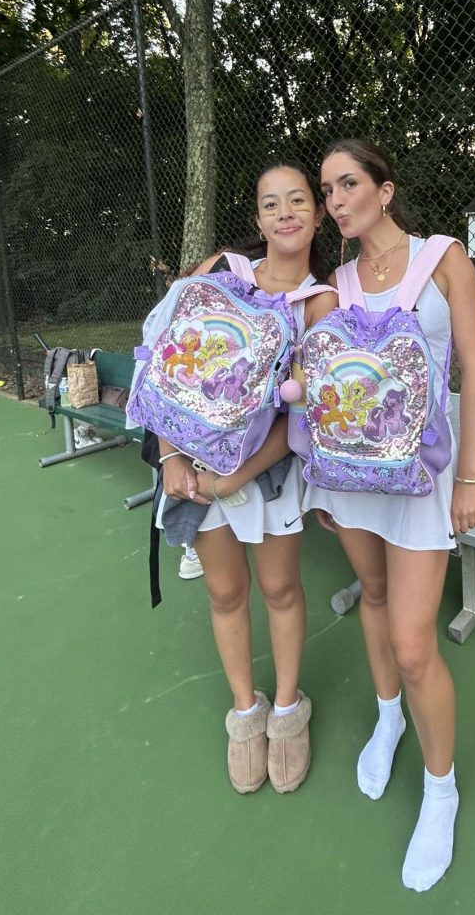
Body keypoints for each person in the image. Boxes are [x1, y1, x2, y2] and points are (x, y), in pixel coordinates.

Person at [303, 139, 475, 891]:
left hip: (425, 483)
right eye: (326, 189)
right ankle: (388, 721)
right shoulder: (337, 281)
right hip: (350, 480)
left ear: (385, 189)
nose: (335, 199)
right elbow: (323, 383)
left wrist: (470, 476)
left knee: (416, 647)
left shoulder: (444, 258)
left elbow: (473, 371)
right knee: (372, 599)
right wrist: (320, 482)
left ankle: (440, 791)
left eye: (348, 183)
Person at [138, 162, 336, 795]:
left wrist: (232, 477)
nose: (285, 213)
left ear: (317, 213)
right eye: (271, 203)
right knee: (225, 594)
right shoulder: (221, 271)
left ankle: (286, 711)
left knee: (279, 589)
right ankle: (245, 715)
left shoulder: (321, 302)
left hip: (263, 478)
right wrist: (171, 457)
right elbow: (166, 365)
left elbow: (300, 422)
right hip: (191, 472)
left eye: (298, 200)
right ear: (257, 219)